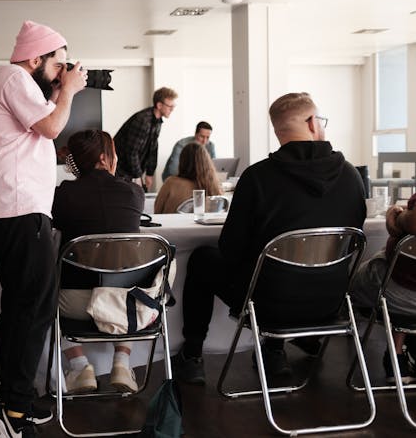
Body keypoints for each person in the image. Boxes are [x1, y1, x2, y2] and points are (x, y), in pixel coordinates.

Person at [173, 92, 366, 385]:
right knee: (278, 274)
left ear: (278, 131)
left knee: (203, 259)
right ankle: (274, 349)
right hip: (330, 302)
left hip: (270, 305)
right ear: (313, 123)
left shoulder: (257, 178)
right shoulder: (351, 176)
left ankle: (192, 355)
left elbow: (230, 250)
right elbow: (352, 241)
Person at [0, 20, 87, 437]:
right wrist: (69, 91)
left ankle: (15, 402)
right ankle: (13, 411)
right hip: (17, 212)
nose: (63, 71)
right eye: (59, 64)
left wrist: (60, 90)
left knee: (24, 309)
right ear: (36, 59)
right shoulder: (11, 75)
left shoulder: (15, 84)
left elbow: (44, 123)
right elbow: (53, 128)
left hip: (13, 212)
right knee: (33, 309)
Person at [51, 130, 144, 393]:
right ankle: (122, 363)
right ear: (104, 158)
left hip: (74, 304)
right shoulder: (134, 193)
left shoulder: (63, 196)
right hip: (125, 301)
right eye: (114, 153)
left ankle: (80, 366)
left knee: (38, 284)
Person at [350, 198, 416, 382]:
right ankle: (400, 356)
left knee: (363, 280)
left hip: (399, 296)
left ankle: (396, 360)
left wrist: (396, 215)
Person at [114, 87, 178, 191]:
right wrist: (138, 176)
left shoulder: (157, 121)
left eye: (173, 106)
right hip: (120, 169)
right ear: (159, 105)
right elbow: (131, 152)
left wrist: (150, 173)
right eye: (170, 106)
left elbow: (153, 149)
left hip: (130, 169)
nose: (172, 109)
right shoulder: (143, 120)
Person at [154, 142, 223, 214]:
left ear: (182, 161)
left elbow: (157, 211)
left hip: (173, 225)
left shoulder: (171, 183)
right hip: (202, 225)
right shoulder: (213, 186)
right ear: (207, 162)